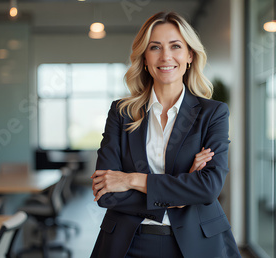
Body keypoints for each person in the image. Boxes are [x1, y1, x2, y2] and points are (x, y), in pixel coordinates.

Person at [90, 11, 242, 258]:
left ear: (190, 55)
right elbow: (105, 193)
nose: (166, 56)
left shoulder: (213, 113)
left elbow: (208, 188)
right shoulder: (121, 112)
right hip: (127, 244)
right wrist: (179, 194)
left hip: (197, 244)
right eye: (155, 47)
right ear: (145, 58)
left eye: (175, 46)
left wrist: (131, 180)